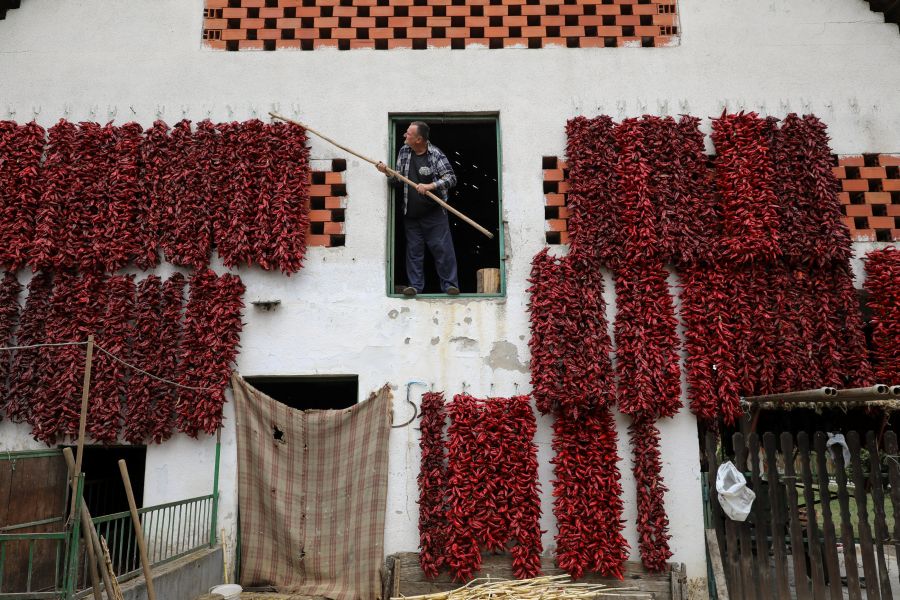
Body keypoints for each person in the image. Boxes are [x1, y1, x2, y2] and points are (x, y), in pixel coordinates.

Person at [376, 122, 460, 297]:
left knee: (442, 250)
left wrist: (431, 185)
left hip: (434, 214)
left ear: (419, 139)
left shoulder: (435, 154)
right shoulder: (404, 151)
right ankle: (414, 286)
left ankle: (450, 285)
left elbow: (451, 178)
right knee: (414, 252)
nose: (404, 136)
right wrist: (387, 172)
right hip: (412, 215)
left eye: (408, 134)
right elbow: (397, 180)